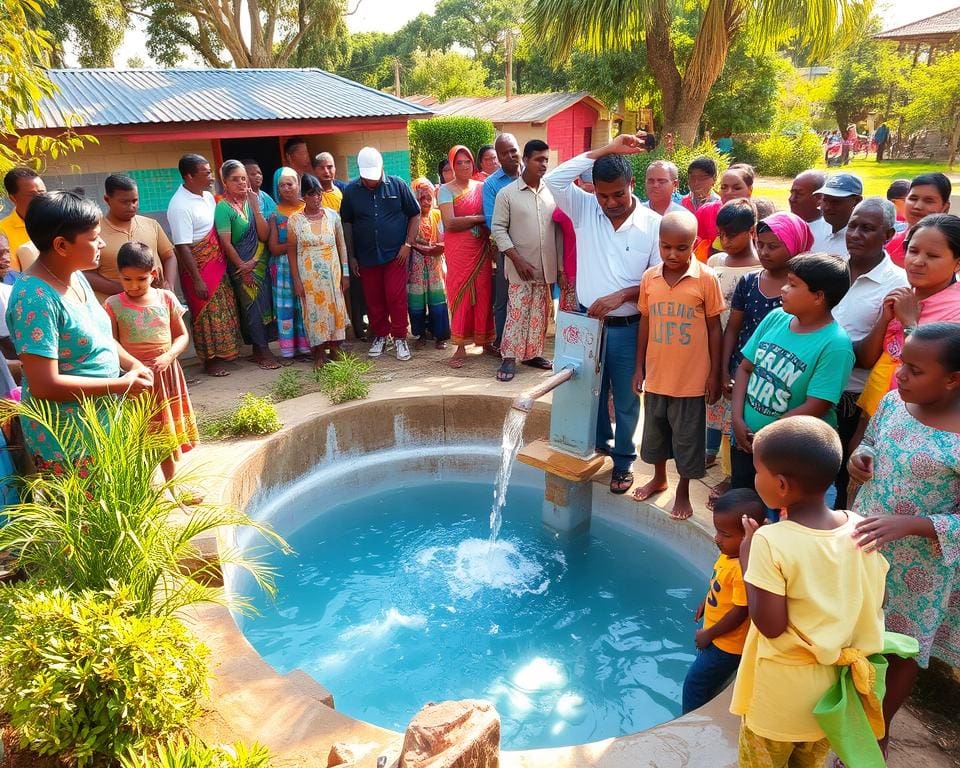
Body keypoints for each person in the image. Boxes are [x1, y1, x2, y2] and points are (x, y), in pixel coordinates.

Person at [730, 416, 888, 768]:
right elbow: (877, 598)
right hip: (832, 698)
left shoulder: (770, 542)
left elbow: (770, 626)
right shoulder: (860, 526)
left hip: (779, 699)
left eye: (758, 472)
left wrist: (746, 557)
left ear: (781, 485)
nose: (755, 479)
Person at [849, 322, 960, 758]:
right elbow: (874, 443)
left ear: (953, 379)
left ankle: (879, 728)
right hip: (867, 544)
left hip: (921, 567)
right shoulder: (894, 403)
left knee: (901, 649)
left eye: (915, 370)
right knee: (856, 629)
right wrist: (863, 459)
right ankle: (842, 706)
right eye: (902, 364)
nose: (901, 376)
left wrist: (911, 525)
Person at [5, 192, 153, 474]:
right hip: (70, 439)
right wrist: (121, 385)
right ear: (61, 245)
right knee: (89, 517)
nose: (102, 243)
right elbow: (44, 384)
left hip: (102, 420)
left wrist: (133, 365)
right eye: (94, 237)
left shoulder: (76, 275)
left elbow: (99, 337)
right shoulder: (34, 298)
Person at [545, 133, 661, 494]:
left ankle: (623, 462)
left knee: (626, 398)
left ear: (631, 184)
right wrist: (608, 149)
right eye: (602, 194)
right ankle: (598, 446)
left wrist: (622, 294)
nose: (610, 202)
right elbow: (553, 179)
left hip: (629, 327)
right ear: (592, 190)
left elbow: (660, 280)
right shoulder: (584, 210)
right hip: (587, 323)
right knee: (587, 391)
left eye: (618, 194)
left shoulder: (653, 224)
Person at [731, 254, 855, 494]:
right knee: (743, 502)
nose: (784, 290)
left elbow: (816, 405)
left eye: (793, 285)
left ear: (818, 297)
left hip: (789, 452)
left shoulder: (835, 344)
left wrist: (766, 435)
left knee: (778, 516)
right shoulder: (775, 318)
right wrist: (736, 419)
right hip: (746, 441)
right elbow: (745, 368)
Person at [631, 210, 725, 519]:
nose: (672, 254)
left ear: (694, 244)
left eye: (681, 248)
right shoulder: (650, 278)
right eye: (665, 246)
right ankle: (659, 479)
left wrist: (714, 374)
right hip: (657, 376)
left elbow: (714, 328)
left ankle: (682, 491)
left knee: (687, 440)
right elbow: (645, 322)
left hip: (690, 380)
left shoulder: (706, 279)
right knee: (655, 433)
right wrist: (639, 367)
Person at [830, 198, 908, 508]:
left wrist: (822, 344)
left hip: (853, 399)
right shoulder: (832, 268)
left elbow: (869, 357)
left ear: (888, 235)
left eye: (868, 228)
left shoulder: (897, 285)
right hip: (817, 388)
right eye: (853, 226)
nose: (856, 234)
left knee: (844, 481)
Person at [104, 241, 197, 484]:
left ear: (153, 274)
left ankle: (172, 486)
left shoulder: (166, 298)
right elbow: (112, 342)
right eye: (127, 279)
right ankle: (144, 487)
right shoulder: (113, 305)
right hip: (135, 381)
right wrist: (134, 364)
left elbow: (182, 335)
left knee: (166, 433)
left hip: (167, 376)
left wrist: (169, 356)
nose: (134, 286)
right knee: (142, 434)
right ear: (119, 275)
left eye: (141, 279)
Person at [856, 213, 960, 418]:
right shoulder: (902, 297)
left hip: (915, 421)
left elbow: (937, 372)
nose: (918, 261)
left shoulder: (955, 311)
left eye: (933, 256)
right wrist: (884, 319)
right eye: (913, 251)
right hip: (873, 409)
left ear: (957, 263)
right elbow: (868, 360)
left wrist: (909, 322)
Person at [682, 488, 767, 714]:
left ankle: (690, 721)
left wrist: (708, 634)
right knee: (707, 679)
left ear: (751, 535)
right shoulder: (730, 554)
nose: (717, 539)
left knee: (695, 683)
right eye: (718, 531)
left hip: (727, 646)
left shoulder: (742, 568)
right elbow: (719, 584)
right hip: (717, 636)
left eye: (726, 535)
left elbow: (740, 612)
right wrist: (706, 600)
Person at [722, 212, 814, 417]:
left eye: (773, 247)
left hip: (781, 377)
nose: (763, 252)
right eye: (760, 244)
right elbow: (733, 329)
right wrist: (724, 370)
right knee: (740, 422)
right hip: (743, 369)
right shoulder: (748, 282)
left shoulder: (804, 290)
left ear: (794, 245)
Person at [167, 153, 242, 377]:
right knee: (206, 314)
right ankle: (210, 361)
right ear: (189, 176)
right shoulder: (179, 205)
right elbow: (182, 247)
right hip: (199, 270)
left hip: (218, 264)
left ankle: (225, 354)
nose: (211, 176)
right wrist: (198, 279)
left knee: (223, 309)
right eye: (206, 172)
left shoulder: (208, 197)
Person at [341, 147, 419, 362]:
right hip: (366, 256)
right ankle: (381, 336)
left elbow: (415, 213)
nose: (371, 182)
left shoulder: (398, 185)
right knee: (374, 299)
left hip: (396, 255)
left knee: (396, 298)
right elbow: (346, 222)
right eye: (367, 178)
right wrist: (352, 255)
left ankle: (400, 337)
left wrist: (408, 244)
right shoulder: (351, 191)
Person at [491, 139, 559, 382]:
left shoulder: (551, 192)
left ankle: (532, 354)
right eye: (539, 159)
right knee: (517, 312)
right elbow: (498, 229)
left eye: (546, 160)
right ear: (526, 160)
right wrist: (517, 260)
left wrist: (559, 267)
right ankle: (509, 357)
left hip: (545, 268)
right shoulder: (507, 194)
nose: (543, 164)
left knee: (540, 313)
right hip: (520, 268)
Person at [705, 200, 760, 485]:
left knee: (734, 410)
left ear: (751, 231)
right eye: (721, 234)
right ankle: (708, 450)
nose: (725, 241)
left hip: (744, 350)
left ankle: (730, 473)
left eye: (732, 234)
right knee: (713, 401)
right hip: (714, 343)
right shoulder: (715, 263)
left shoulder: (761, 268)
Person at [215, 159, 279, 370]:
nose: (242, 183)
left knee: (265, 305)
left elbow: (264, 234)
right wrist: (242, 264)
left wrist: (255, 208)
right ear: (225, 182)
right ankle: (263, 351)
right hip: (241, 266)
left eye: (243, 178)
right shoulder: (223, 208)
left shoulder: (252, 203)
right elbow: (226, 242)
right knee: (251, 308)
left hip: (259, 262)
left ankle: (259, 349)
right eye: (235, 179)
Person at [439, 145, 496, 367]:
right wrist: (477, 218)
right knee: (459, 293)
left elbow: (491, 215)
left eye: (467, 162)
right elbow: (450, 222)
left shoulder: (482, 187)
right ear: (452, 166)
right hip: (458, 252)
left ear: (473, 164)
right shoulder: (445, 190)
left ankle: (485, 340)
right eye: (458, 163)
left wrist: (479, 219)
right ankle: (461, 346)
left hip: (480, 250)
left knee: (483, 293)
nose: (464, 166)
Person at [287, 174, 350, 368]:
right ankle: (319, 354)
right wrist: (296, 280)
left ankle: (336, 350)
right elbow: (291, 251)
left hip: (332, 274)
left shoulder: (332, 216)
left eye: (318, 194)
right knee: (314, 312)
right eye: (311, 195)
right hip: (309, 278)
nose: (316, 199)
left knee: (335, 309)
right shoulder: (295, 220)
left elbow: (342, 246)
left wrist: (345, 273)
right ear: (303, 197)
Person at [89, 174, 177, 303]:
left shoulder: (151, 225)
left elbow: (169, 256)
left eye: (135, 201)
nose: (132, 206)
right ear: (107, 200)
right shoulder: (95, 232)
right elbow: (86, 274)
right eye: (125, 202)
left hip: (155, 305)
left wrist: (169, 285)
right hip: (117, 309)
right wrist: (124, 287)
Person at [267, 167, 311, 361]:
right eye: (282, 185)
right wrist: (293, 245)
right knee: (287, 308)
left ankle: (309, 347)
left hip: (308, 266)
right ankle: (288, 351)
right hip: (284, 269)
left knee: (306, 305)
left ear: (298, 184)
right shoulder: (274, 214)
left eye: (290, 183)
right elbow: (274, 248)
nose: (286, 188)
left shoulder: (309, 209)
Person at [482, 133, 522, 349]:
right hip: (506, 251)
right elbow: (492, 222)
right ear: (497, 156)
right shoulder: (491, 185)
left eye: (513, 150)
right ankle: (502, 342)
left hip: (535, 248)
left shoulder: (534, 175)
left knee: (534, 294)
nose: (510, 156)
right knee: (504, 297)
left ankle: (529, 344)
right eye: (504, 153)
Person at [408, 177, 450, 349]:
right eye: (420, 198)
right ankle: (420, 335)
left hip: (435, 264)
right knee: (417, 301)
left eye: (428, 198)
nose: (425, 202)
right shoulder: (411, 217)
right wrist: (420, 248)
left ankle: (439, 336)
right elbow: (408, 240)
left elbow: (446, 238)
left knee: (437, 299)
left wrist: (439, 247)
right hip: (416, 265)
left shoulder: (438, 214)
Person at [886, 173, 952, 266]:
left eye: (929, 200)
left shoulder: (952, 248)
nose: (917, 206)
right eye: (913, 198)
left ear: (945, 207)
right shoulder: (888, 243)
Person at [694, 164, 755, 261]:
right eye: (724, 187)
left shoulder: (759, 214)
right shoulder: (705, 212)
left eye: (737, 188)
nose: (729, 192)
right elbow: (698, 248)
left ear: (750, 190)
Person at [553, 169, 593, 312]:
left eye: (592, 191)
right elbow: (556, 217)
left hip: (590, 272)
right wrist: (561, 271)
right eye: (585, 190)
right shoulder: (567, 208)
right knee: (572, 318)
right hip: (572, 270)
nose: (588, 195)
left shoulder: (600, 207)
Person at [0, 167, 46, 270]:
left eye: (43, 193)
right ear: (13, 198)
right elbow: (10, 276)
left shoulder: (59, 222)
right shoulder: (2, 232)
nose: (40, 199)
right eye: (33, 195)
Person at [811, 173, 862, 259]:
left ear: (856, 201)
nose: (827, 207)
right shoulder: (810, 230)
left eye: (836, 201)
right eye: (825, 200)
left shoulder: (861, 242)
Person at [789, 169, 830, 245]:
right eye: (792, 193)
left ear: (819, 198)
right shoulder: (783, 227)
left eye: (799, 194)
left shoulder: (830, 233)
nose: (791, 199)